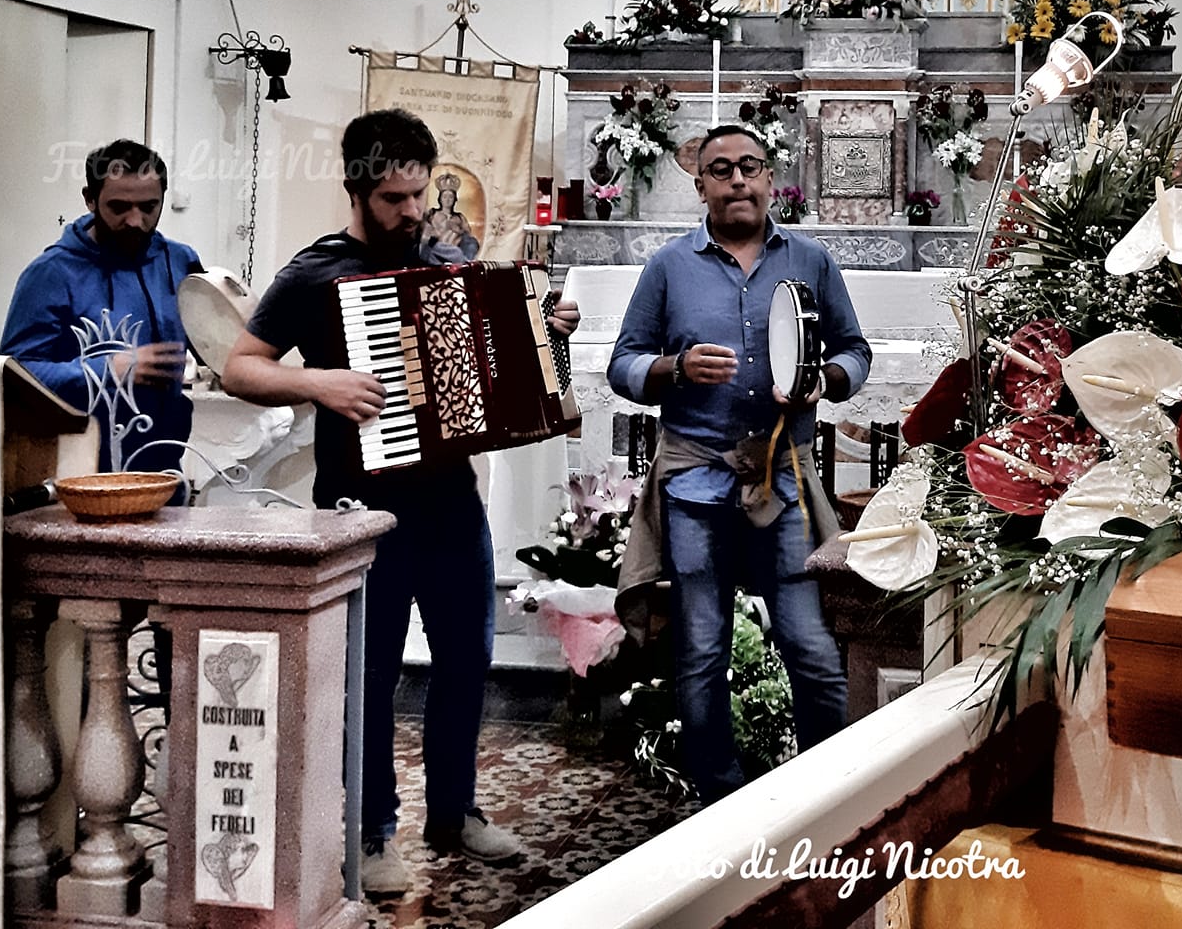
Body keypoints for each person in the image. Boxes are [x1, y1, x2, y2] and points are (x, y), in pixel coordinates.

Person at [219, 108, 580, 897]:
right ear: (357, 189)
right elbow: (238, 368)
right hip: (360, 510)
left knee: (465, 663)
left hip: (451, 503)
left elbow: (496, 369)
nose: (412, 212)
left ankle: (454, 812)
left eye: (418, 194)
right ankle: (374, 829)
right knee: (372, 672)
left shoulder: (447, 260)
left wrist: (544, 334)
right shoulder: (315, 274)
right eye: (394, 199)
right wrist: (319, 383)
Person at [608, 124, 869, 804]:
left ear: (770, 177)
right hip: (696, 486)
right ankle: (717, 795)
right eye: (720, 169)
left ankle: (825, 794)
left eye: (749, 166)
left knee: (810, 648)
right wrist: (673, 366)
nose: (736, 180)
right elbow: (623, 363)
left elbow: (854, 351)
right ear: (700, 186)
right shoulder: (670, 267)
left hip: (781, 483)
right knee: (700, 652)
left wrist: (828, 381)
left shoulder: (809, 261)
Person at [0, 138, 202, 471]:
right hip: (78, 474)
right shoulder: (51, 273)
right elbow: (15, 374)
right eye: (119, 207)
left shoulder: (181, 261)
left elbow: (214, 343)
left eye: (149, 207)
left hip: (162, 469)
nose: (135, 221)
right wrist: (108, 370)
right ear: (90, 200)